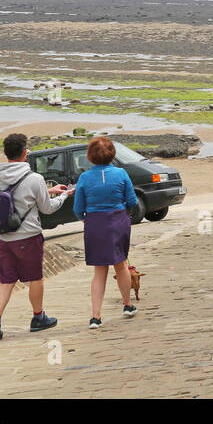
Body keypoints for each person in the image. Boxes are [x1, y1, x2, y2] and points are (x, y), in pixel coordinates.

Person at [0, 133, 72, 342]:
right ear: (25, 153)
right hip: (27, 237)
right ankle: (38, 317)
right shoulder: (34, 178)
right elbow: (47, 208)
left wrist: (46, 189)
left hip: (3, 236)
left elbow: (11, 197)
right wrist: (62, 195)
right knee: (35, 278)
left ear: (6, 153)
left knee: (6, 281)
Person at [72, 137, 139, 328]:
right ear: (112, 154)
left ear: (90, 156)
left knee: (99, 271)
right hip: (118, 220)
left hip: (95, 223)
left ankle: (96, 316)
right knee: (121, 264)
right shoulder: (121, 173)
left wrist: (87, 219)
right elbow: (132, 201)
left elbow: (78, 208)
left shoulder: (84, 178)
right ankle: (127, 304)